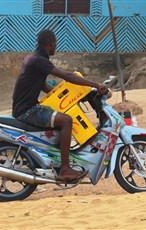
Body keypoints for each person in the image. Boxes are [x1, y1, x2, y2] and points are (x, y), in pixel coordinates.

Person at [12, 29, 107, 182]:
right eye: (55, 44)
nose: (56, 47)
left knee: (59, 115)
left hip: (23, 107)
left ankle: (56, 159)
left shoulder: (32, 58)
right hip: (28, 110)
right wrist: (95, 85)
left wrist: (66, 95)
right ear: (51, 44)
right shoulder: (40, 61)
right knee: (66, 120)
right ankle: (65, 169)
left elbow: (41, 84)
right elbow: (67, 76)